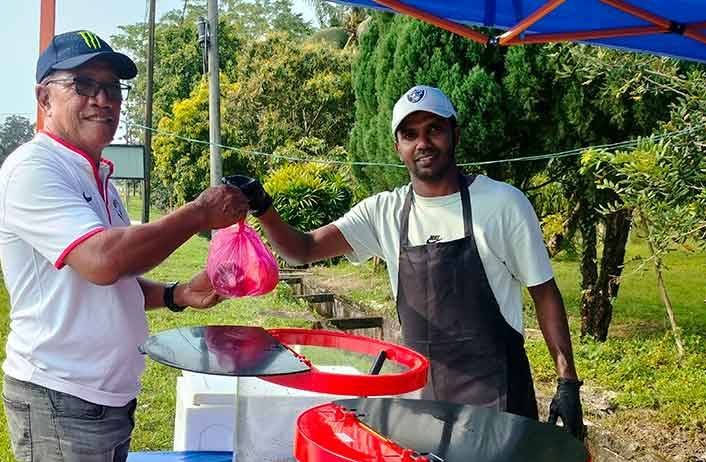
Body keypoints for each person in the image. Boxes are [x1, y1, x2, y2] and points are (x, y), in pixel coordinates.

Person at [0, 30, 247, 462]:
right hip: (60, 399)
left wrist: (179, 296)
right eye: (86, 85)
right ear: (44, 97)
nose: (104, 99)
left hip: (104, 398)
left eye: (112, 87)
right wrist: (197, 214)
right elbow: (103, 261)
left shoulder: (98, 178)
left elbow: (116, 283)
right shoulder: (33, 170)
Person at [226, 85, 584, 438]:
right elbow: (302, 249)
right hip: (421, 403)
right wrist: (263, 207)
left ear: (455, 134)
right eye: (410, 134)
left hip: (498, 401)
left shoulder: (503, 204)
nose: (423, 143)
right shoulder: (384, 212)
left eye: (434, 129)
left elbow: (544, 291)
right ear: (398, 147)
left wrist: (567, 380)